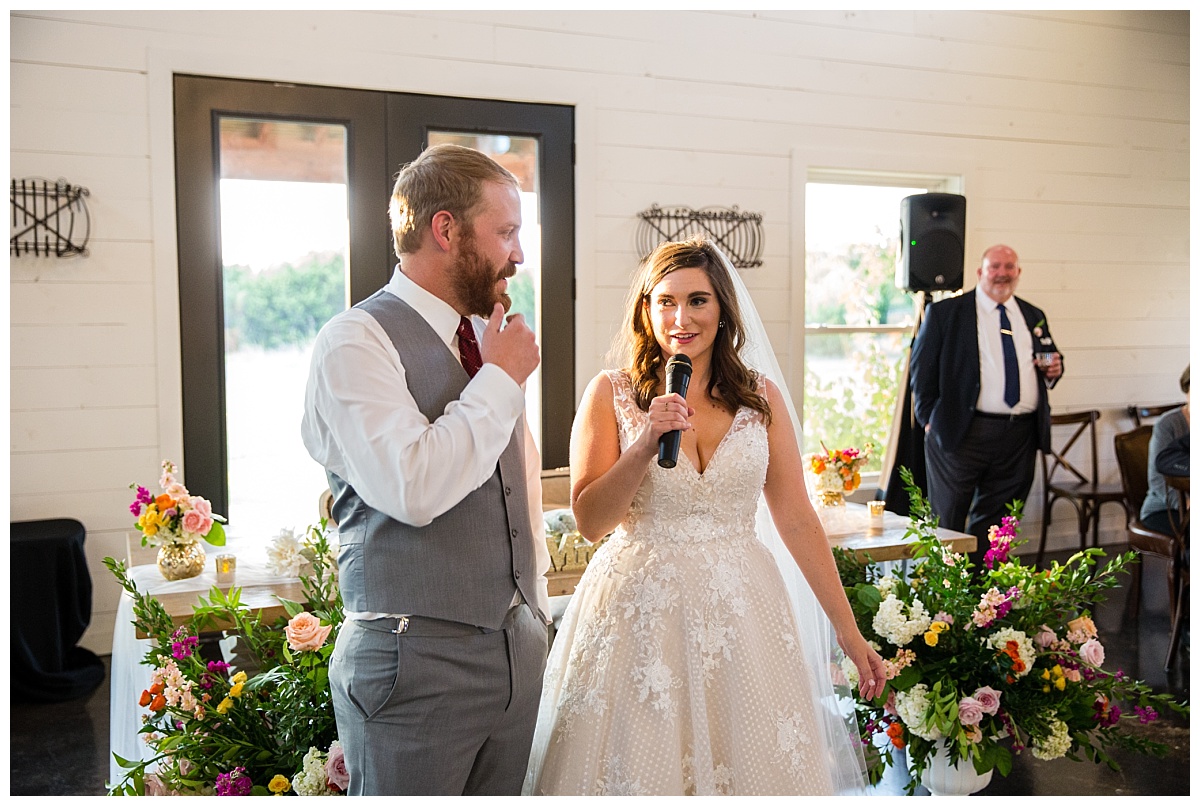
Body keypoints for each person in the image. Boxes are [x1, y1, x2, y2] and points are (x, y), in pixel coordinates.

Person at [523, 239, 884, 796]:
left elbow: (797, 520)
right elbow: (591, 520)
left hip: (744, 613)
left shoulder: (759, 400)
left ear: (723, 311)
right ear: (646, 309)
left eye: (697, 301)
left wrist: (849, 632)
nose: (681, 318)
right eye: (665, 301)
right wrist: (645, 443)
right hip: (640, 615)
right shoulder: (610, 394)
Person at [301, 143, 551, 795]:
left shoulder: (486, 339)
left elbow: (512, 494)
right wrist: (499, 378)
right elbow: (413, 487)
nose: (518, 255)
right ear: (446, 229)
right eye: (506, 232)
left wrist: (535, 618)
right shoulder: (355, 342)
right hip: (413, 667)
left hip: (515, 657)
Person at [910, 244, 1063, 566]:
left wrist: (1054, 369)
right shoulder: (946, 313)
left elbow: (1045, 361)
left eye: (1009, 267)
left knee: (999, 525)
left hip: (1019, 436)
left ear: (1018, 273)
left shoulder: (1033, 315)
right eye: (995, 266)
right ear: (981, 272)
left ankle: (985, 599)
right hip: (960, 433)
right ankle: (943, 601)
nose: (1002, 273)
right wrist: (929, 422)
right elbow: (921, 372)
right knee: (948, 520)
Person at [1140, 365, 1190, 537]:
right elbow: (1157, 479)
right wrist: (1186, 502)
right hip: (1164, 508)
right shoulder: (1168, 424)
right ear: (1187, 388)